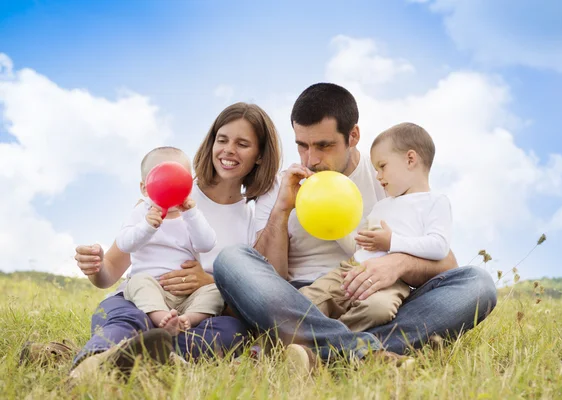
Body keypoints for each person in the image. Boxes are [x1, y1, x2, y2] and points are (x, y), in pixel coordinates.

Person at [213, 83, 497, 372]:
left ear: (353, 136)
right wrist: (283, 209)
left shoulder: (387, 178)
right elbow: (271, 276)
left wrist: (396, 265)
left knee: (478, 284)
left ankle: (312, 349)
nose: (311, 159)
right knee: (230, 259)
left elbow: (446, 263)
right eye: (302, 145)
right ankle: (363, 352)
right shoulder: (281, 186)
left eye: (324, 145)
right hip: (301, 300)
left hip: (377, 297)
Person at [70, 102, 281, 378]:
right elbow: (110, 272)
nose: (229, 150)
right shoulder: (170, 190)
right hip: (139, 303)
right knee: (129, 319)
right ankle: (92, 365)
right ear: (211, 143)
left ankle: (143, 356)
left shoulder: (251, 217)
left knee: (233, 331)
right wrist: (95, 266)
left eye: (242, 144)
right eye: (222, 140)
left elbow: (249, 298)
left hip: (189, 318)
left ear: (260, 156)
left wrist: (211, 281)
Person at [299, 122, 452, 333]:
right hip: (351, 269)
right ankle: (267, 344)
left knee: (378, 310)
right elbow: (359, 244)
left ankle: (331, 339)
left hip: (392, 282)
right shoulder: (381, 206)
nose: (378, 175)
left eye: (382, 166)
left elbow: (439, 246)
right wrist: (333, 225)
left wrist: (392, 242)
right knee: (307, 300)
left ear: (410, 159)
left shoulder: (435, 202)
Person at [117, 146, 221, 336]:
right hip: (153, 288)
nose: (170, 186)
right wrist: (147, 226)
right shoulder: (141, 213)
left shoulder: (190, 215)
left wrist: (191, 214)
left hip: (188, 295)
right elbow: (124, 244)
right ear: (144, 188)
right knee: (139, 282)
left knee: (216, 290)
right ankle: (162, 318)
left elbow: (206, 244)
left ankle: (189, 319)